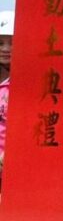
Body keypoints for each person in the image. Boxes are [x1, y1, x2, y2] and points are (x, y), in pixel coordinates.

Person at [0, 10, 12, 189]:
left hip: (9, 164)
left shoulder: (27, 84)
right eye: (0, 42)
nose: (6, 49)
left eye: (12, 42)